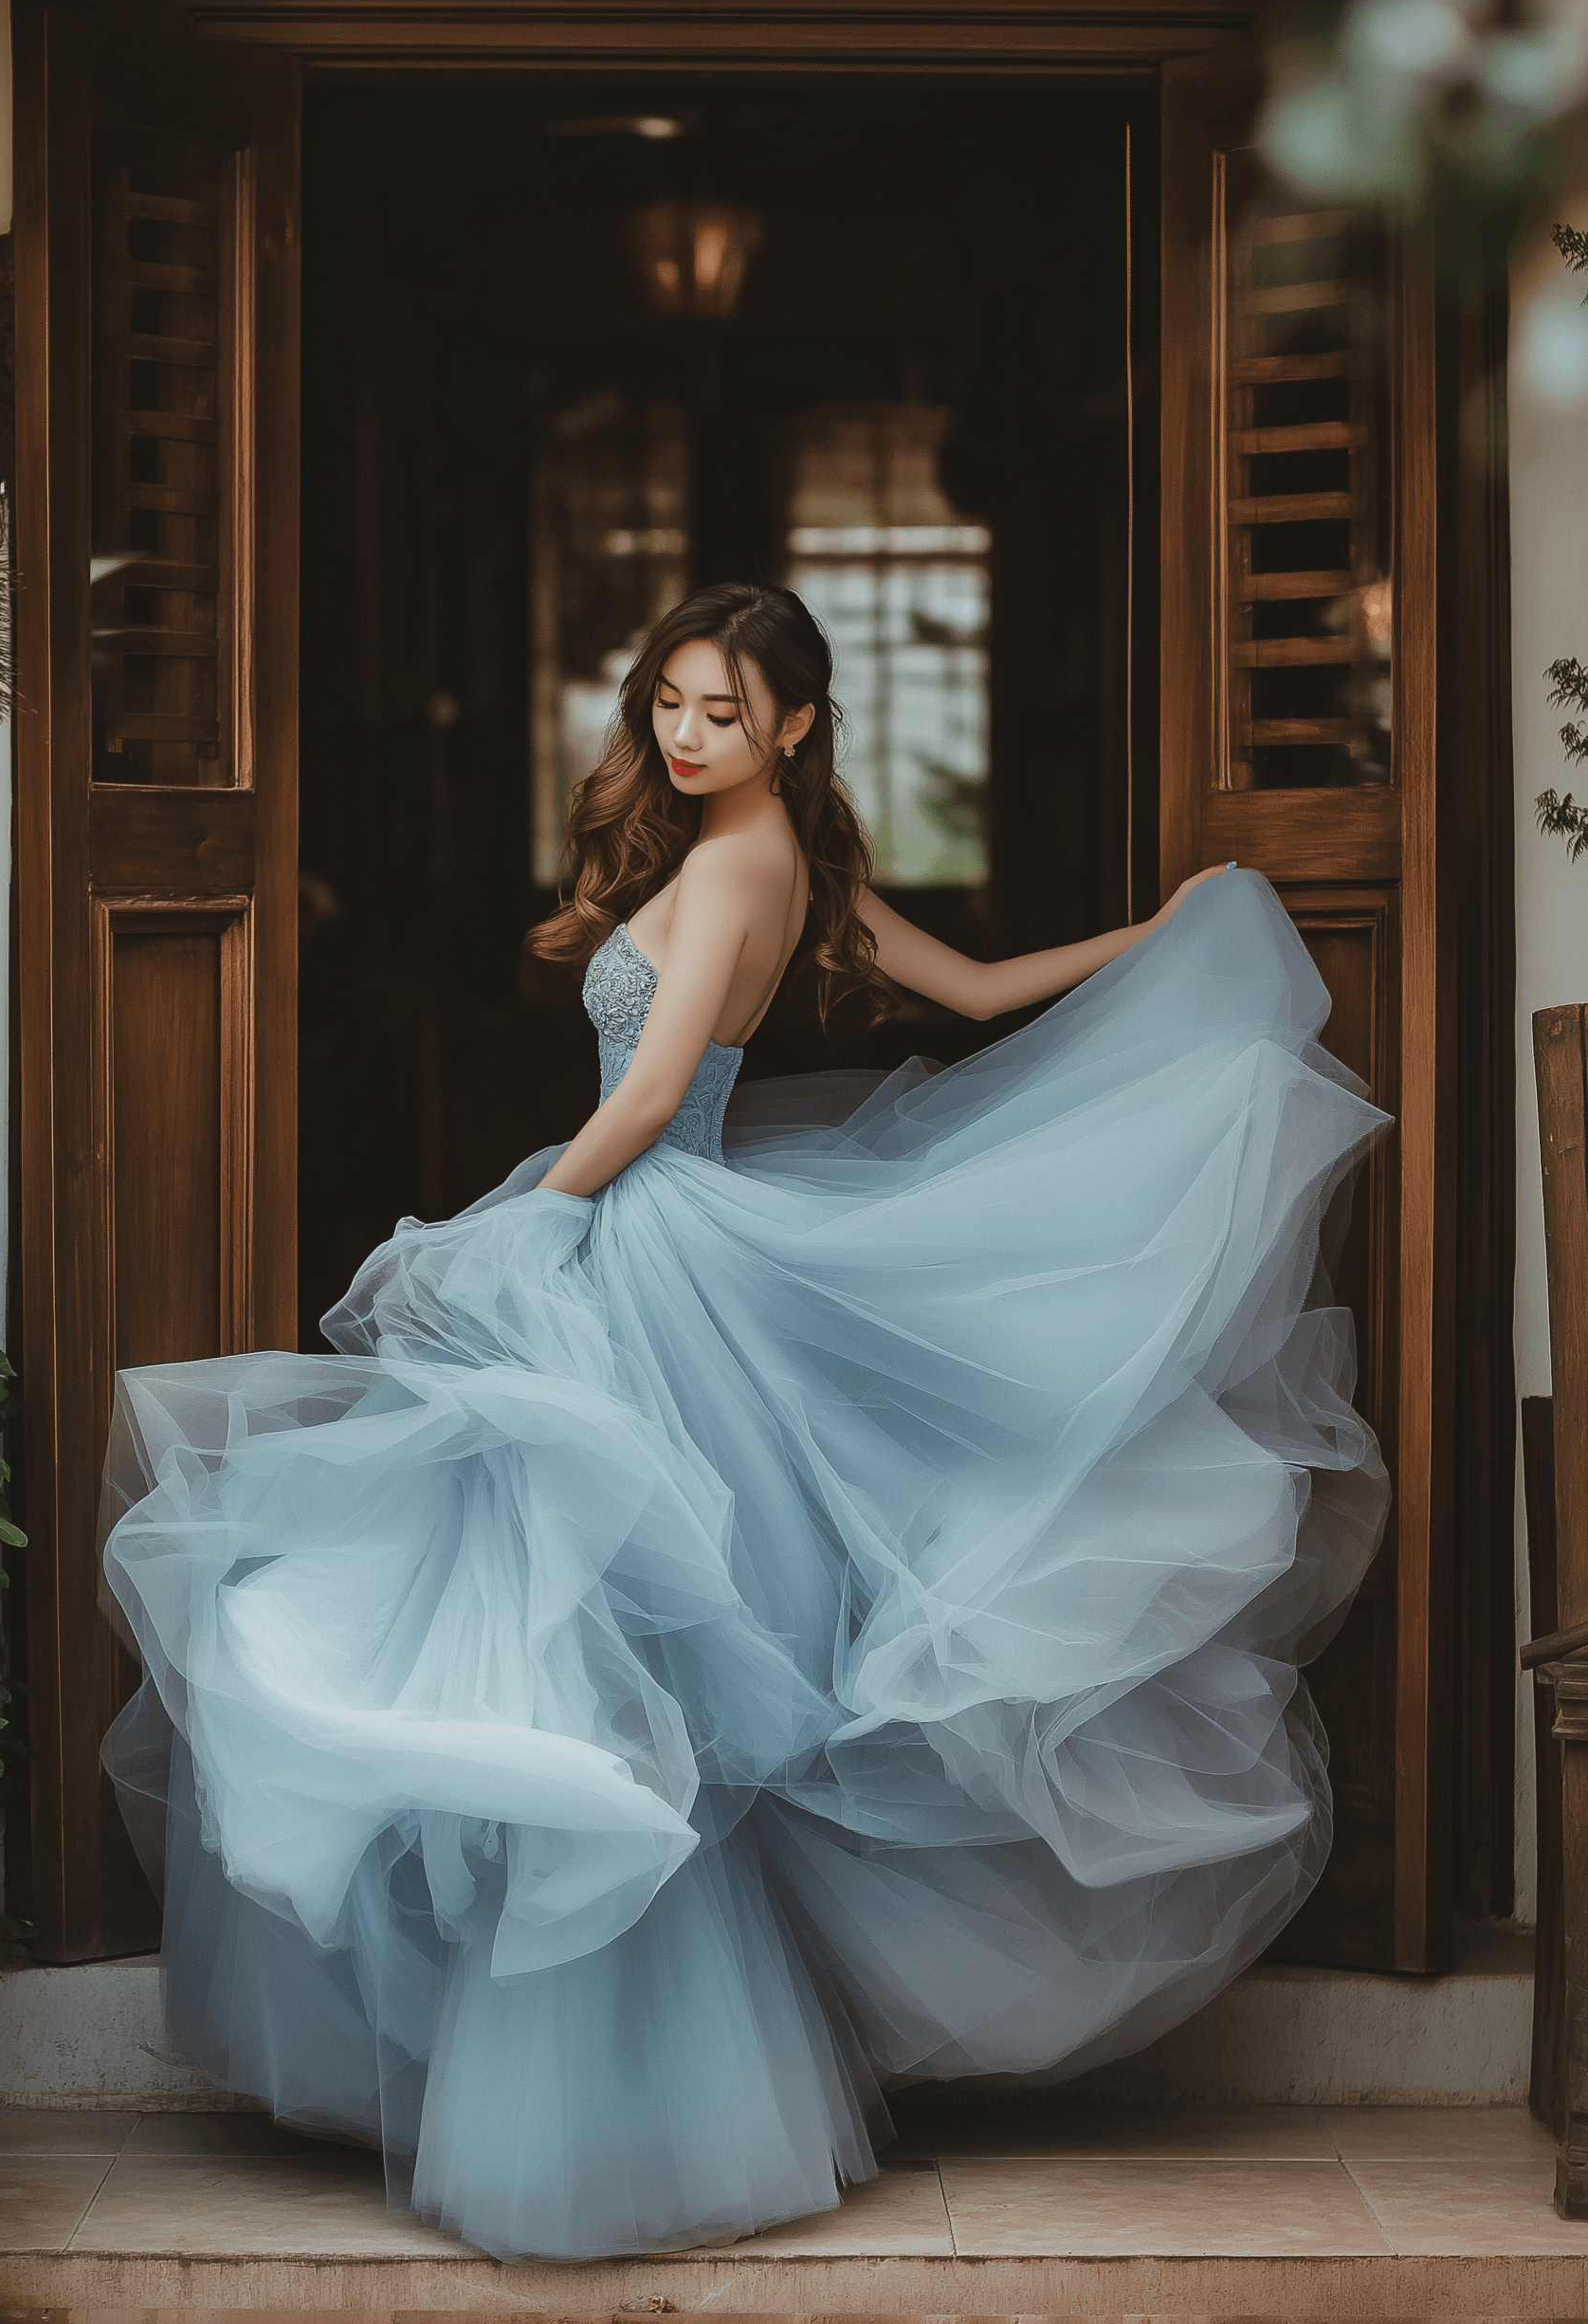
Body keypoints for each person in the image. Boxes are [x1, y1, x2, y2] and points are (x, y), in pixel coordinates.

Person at [99, 582, 1389, 2262]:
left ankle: (597, 2112)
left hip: (642, 1243)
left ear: (793, 722)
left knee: (588, 1651)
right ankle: (660, 2097)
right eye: (669, 704)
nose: (684, 734)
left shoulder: (728, 866)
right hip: (683, 1236)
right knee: (623, 1657)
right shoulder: (805, 866)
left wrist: (514, 1226)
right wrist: (1166, 932)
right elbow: (992, 989)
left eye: (721, 709)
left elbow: (645, 1096)